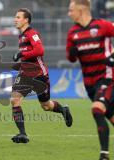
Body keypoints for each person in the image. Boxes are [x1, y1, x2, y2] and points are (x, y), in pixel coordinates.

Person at [10, 8, 73, 144]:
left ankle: (63, 110)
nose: (15, 19)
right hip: (25, 74)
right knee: (15, 100)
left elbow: (40, 50)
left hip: (39, 74)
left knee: (46, 106)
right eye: (15, 17)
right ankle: (23, 134)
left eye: (18, 17)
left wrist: (21, 54)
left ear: (26, 20)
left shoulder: (32, 33)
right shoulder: (21, 36)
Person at [66, 0, 114, 159]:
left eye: (71, 9)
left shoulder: (103, 26)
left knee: (97, 109)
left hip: (107, 78)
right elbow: (71, 59)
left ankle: (104, 155)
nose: (69, 13)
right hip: (89, 84)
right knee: (110, 116)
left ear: (81, 10)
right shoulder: (72, 33)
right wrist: (72, 54)